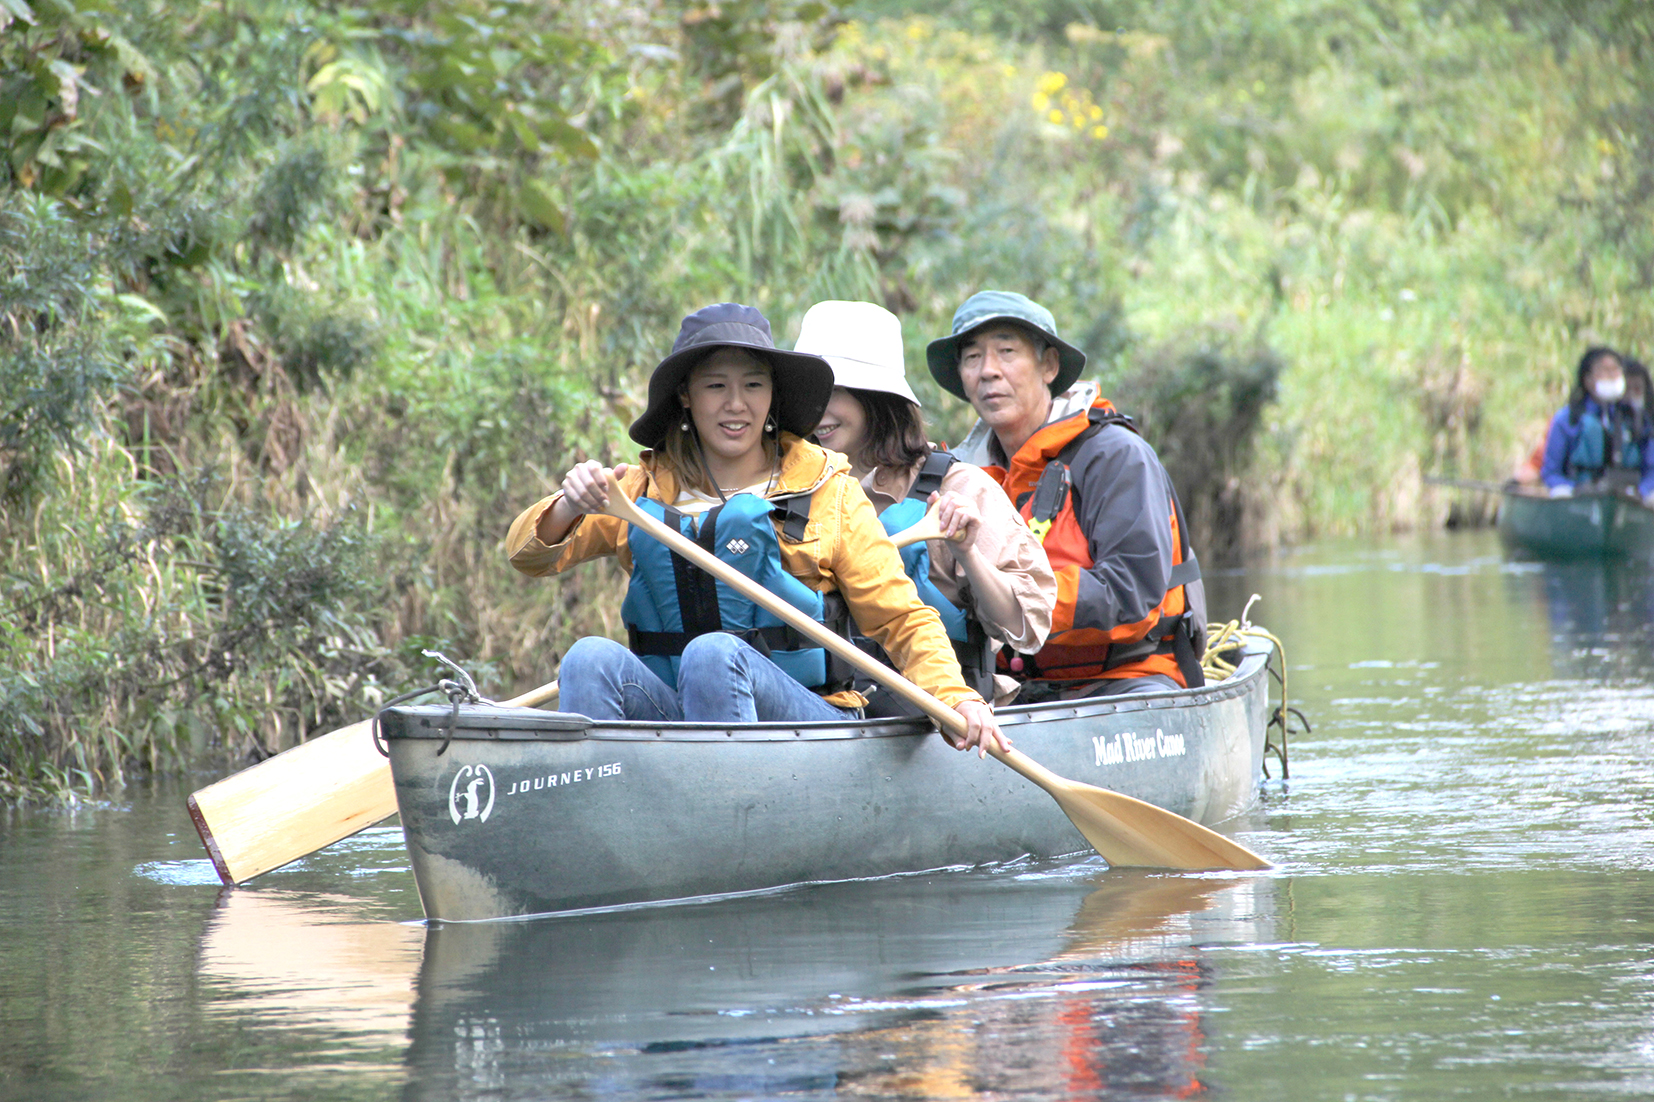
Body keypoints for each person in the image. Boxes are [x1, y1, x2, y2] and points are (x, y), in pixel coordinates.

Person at [505, 302, 1007, 753]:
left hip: (811, 722)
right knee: (587, 657)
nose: (736, 404)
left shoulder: (829, 488)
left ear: (772, 396)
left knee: (714, 654)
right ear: (685, 396)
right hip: (679, 719)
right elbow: (527, 557)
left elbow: (901, 618)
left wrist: (956, 697)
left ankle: (730, 822)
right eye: (715, 385)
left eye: (752, 384)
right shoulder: (638, 491)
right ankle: (603, 819)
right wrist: (570, 505)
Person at [924, 290, 1206, 700]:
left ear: (1049, 366)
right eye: (972, 358)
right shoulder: (959, 475)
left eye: (1006, 351)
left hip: (1127, 679)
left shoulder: (1117, 457)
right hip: (1012, 688)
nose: (988, 371)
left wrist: (1016, 601)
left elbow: (1132, 595)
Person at [794, 300, 1057, 715]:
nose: (816, 412)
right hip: (827, 710)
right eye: (809, 395)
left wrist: (967, 552)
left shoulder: (958, 487)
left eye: (834, 392)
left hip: (939, 717)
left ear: (875, 397)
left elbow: (1027, 627)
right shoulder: (794, 492)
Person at [1539, 347, 1654, 504]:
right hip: (1578, 494)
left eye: (1615, 371)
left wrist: (1642, 491)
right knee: (1560, 493)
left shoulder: (1637, 419)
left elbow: (1651, 468)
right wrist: (1571, 489)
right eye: (1604, 371)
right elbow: (1551, 471)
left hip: (1630, 497)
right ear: (1588, 380)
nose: (1612, 376)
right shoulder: (1568, 419)